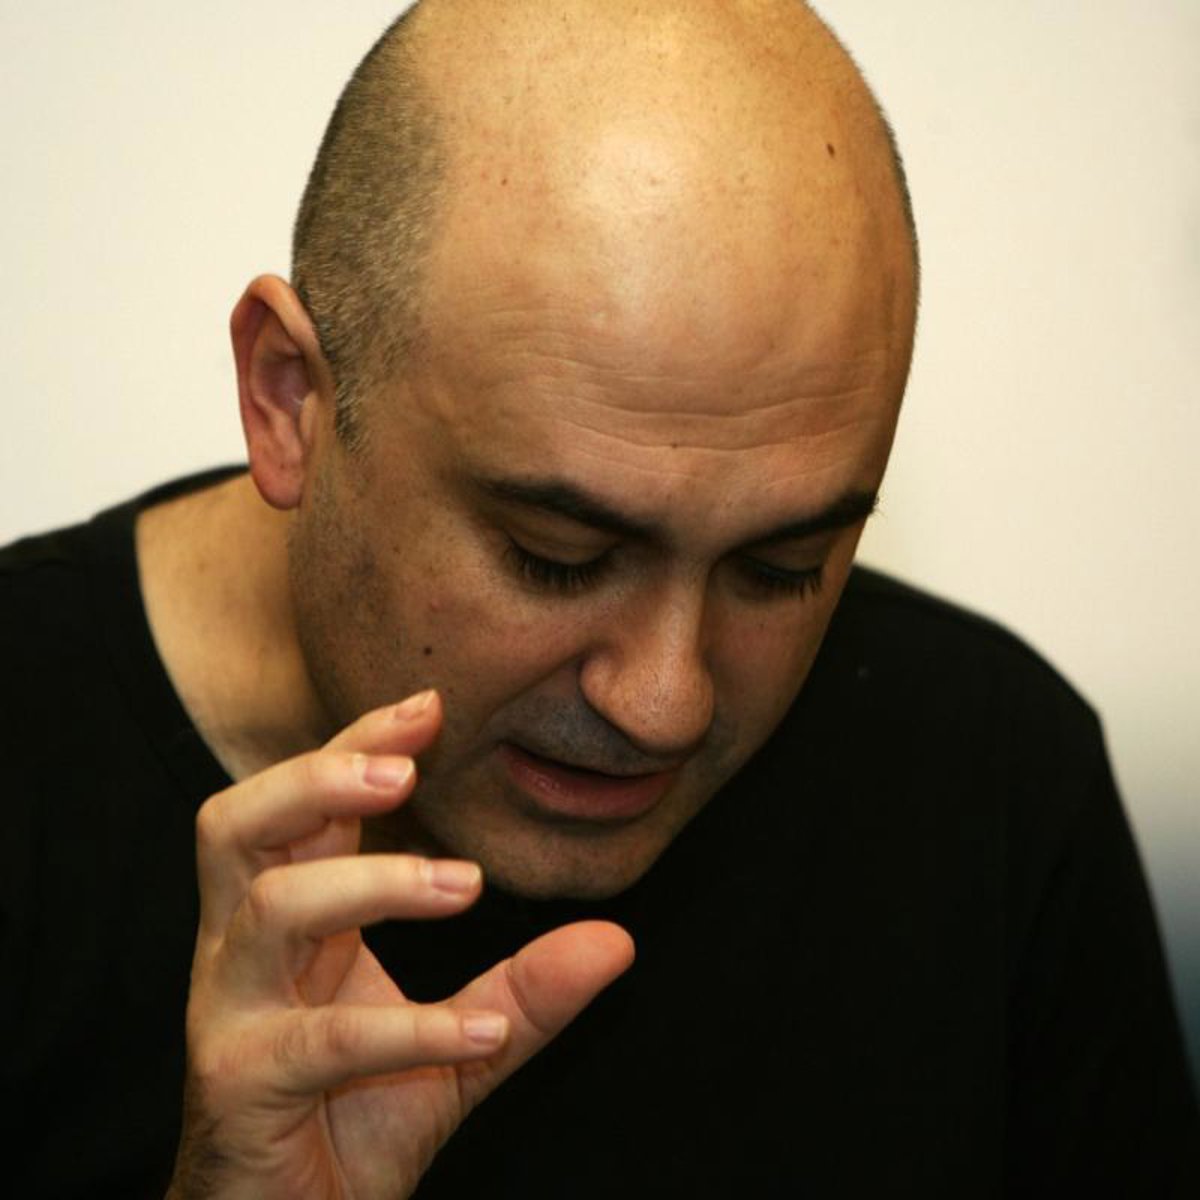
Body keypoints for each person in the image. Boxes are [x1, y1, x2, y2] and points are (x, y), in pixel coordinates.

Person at [2, 1, 1197, 1196]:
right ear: (289, 402)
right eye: (557, 555)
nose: (667, 704)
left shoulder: (992, 786)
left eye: (783, 568)